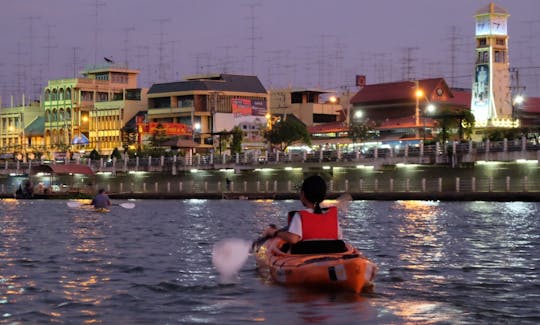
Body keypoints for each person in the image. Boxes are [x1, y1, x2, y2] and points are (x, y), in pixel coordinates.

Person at [262, 175, 343, 253]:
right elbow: (339, 237)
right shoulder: (333, 218)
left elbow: (293, 239)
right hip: (331, 258)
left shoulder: (300, 216)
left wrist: (275, 232)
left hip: (303, 260)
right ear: (323, 196)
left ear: (303, 194)